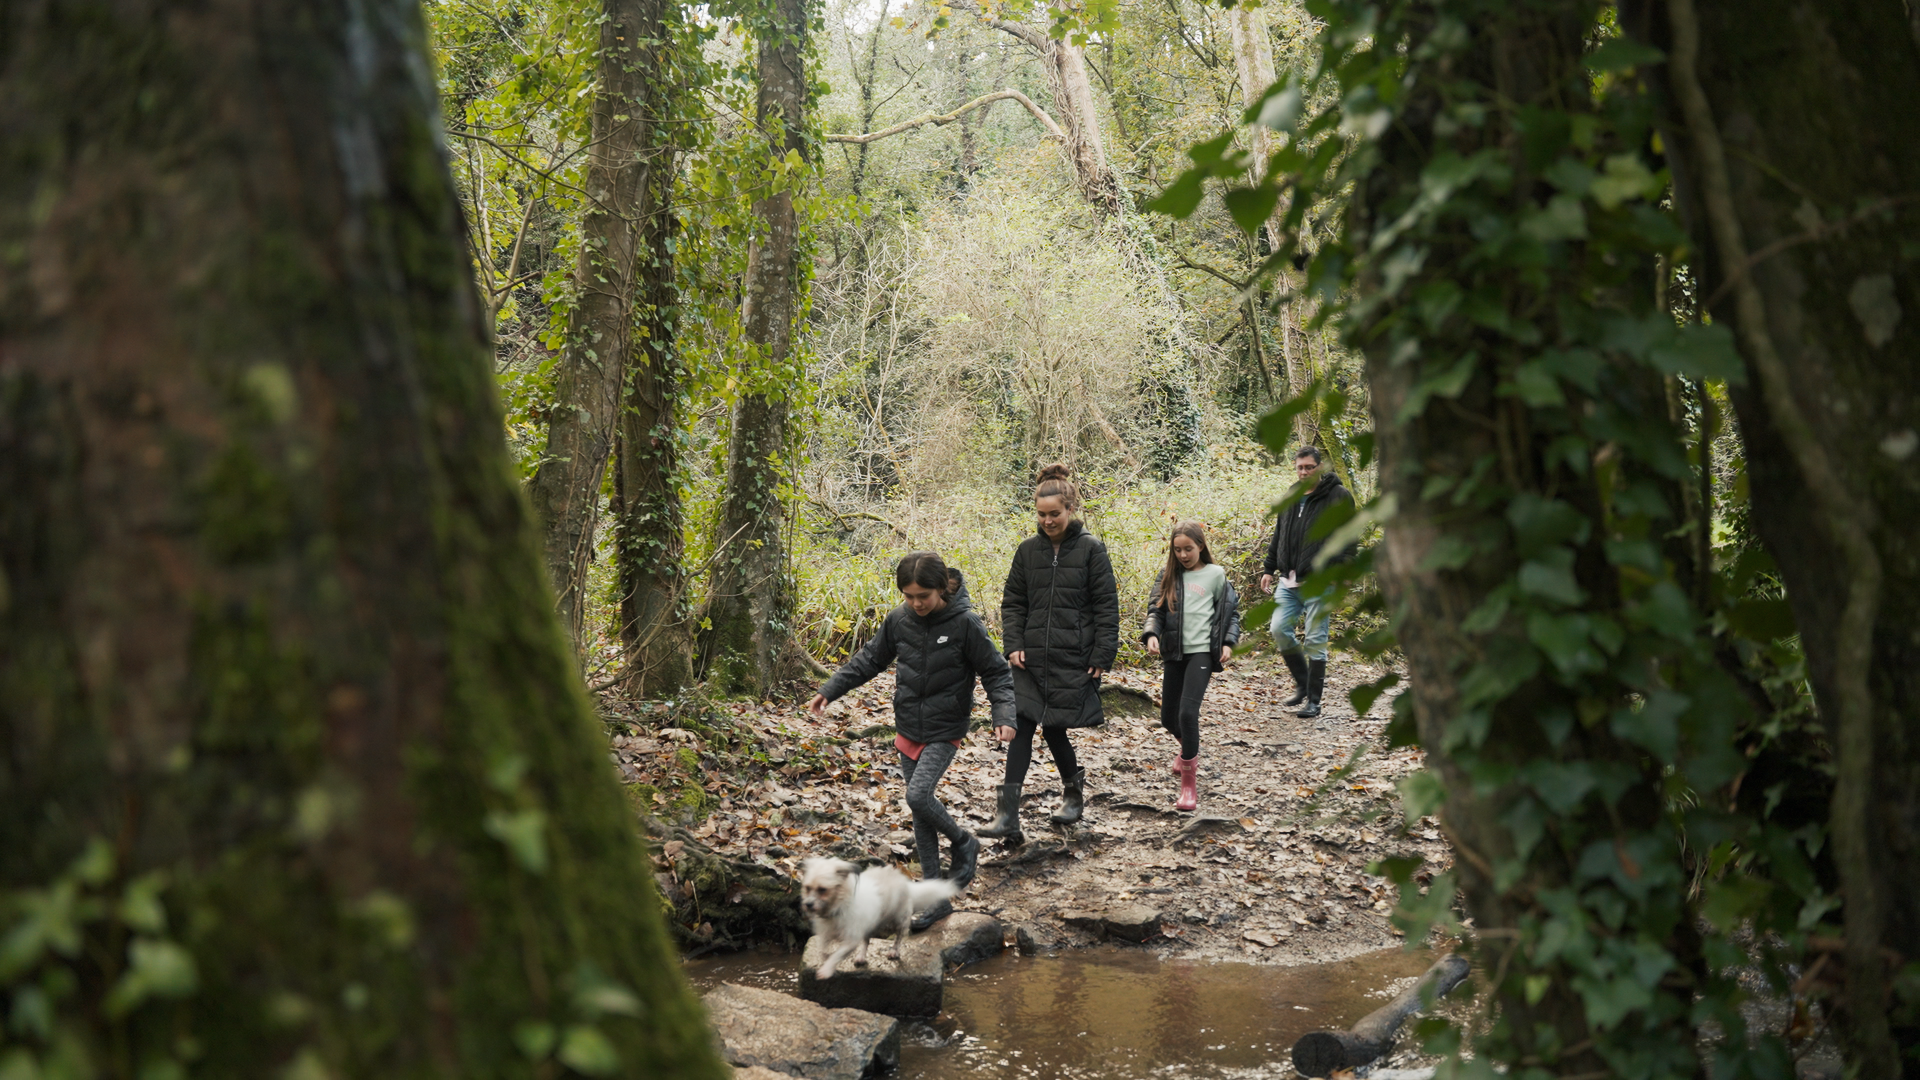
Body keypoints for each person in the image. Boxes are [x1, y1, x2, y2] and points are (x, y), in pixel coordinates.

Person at [808, 551, 1014, 930]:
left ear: (942, 589)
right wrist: (830, 690)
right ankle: (936, 899)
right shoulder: (899, 620)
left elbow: (996, 672)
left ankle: (964, 841)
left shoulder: (965, 623)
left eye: (924, 596)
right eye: (909, 596)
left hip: (945, 727)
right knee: (920, 815)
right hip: (907, 727)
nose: (917, 604)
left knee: (918, 796)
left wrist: (1004, 715)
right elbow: (869, 659)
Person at [977, 464, 1120, 845]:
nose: (1047, 521)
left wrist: (1102, 654)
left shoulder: (1092, 549)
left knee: (1055, 730)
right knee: (1022, 725)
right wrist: (1013, 644)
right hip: (1029, 659)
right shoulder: (1027, 551)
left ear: (1070, 508)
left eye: (1054, 514)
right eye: (1041, 515)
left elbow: (1107, 606)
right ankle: (1007, 816)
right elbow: (1013, 602)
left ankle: (1073, 797)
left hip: (1072, 657)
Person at [1141, 521, 1241, 812]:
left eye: (1189, 549)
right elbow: (1155, 612)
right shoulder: (1167, 576)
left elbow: (1231, 614)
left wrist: (1227, 643)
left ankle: (1189, 787)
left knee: (1187, 713)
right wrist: (1151, 634)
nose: (1183, 555)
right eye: (1178, 549)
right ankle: (1188, 749)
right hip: (1174, 652)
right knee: (1168, 719)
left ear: (1201, 546)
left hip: (1202, 654)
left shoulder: (1216, 575)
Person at [1260, 446, 1355, 719]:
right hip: (1288, 581)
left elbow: (1349, 537)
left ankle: (1314, 701)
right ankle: (1303, 683)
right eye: (1299, 467)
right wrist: (1269, 568)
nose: (1303, 472)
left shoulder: (1338, 496)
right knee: (1279, 628)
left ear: (1319, 468)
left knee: (1315, 639)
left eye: (1308, 467)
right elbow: (1279, 536)